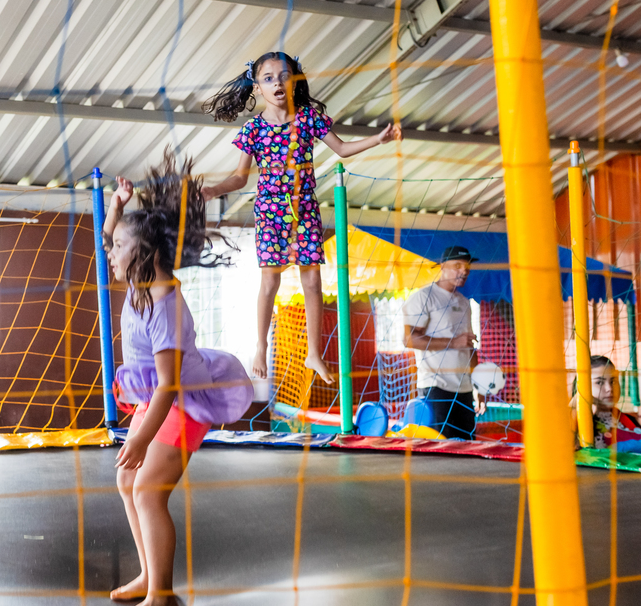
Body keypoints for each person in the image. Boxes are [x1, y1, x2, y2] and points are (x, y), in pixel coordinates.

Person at [103, 150, 254, 606]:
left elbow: (169, 385)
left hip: (184, 403)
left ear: (144, 254)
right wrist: (117, 207)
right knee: (127, 480)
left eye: (118, 248)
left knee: (148, 490)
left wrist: (139, 438)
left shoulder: (165, 305)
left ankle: (162, 596)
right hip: (160, 399)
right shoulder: (141, 280)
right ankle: (149, 574)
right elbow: (111, 236)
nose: (109, 253)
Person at [201, 52, 401, 384]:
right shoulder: (254, 129)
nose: (277, 83)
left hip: (304, 209)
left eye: (284, 76)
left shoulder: (308, 118)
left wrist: (378, 139)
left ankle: (314, 354)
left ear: (294, 81)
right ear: (257, 87)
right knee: (270, 282)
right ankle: (260, 346)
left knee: (312, 282)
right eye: (268, 78)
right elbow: (239, 178)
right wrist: (213, 190)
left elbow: (342, 149)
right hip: (270, 213)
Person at [402, 246, 481, 440]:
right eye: (457, 266)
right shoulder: (424, 297)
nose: (464, 271)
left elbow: (468, 346)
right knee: (442, 447)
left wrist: (479, 385)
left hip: (464, 388)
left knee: (468, 446)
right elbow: (408, 339)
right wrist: (453, 342)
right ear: (443, 266)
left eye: (467, 267)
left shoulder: (464, 302)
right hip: (436, 387)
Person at [573, 355, 641, 455]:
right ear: (582, 386)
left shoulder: (627, 420)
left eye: (613, 381)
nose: (609, 388)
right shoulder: (578, 424)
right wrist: (578, 403)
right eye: (599, 382)